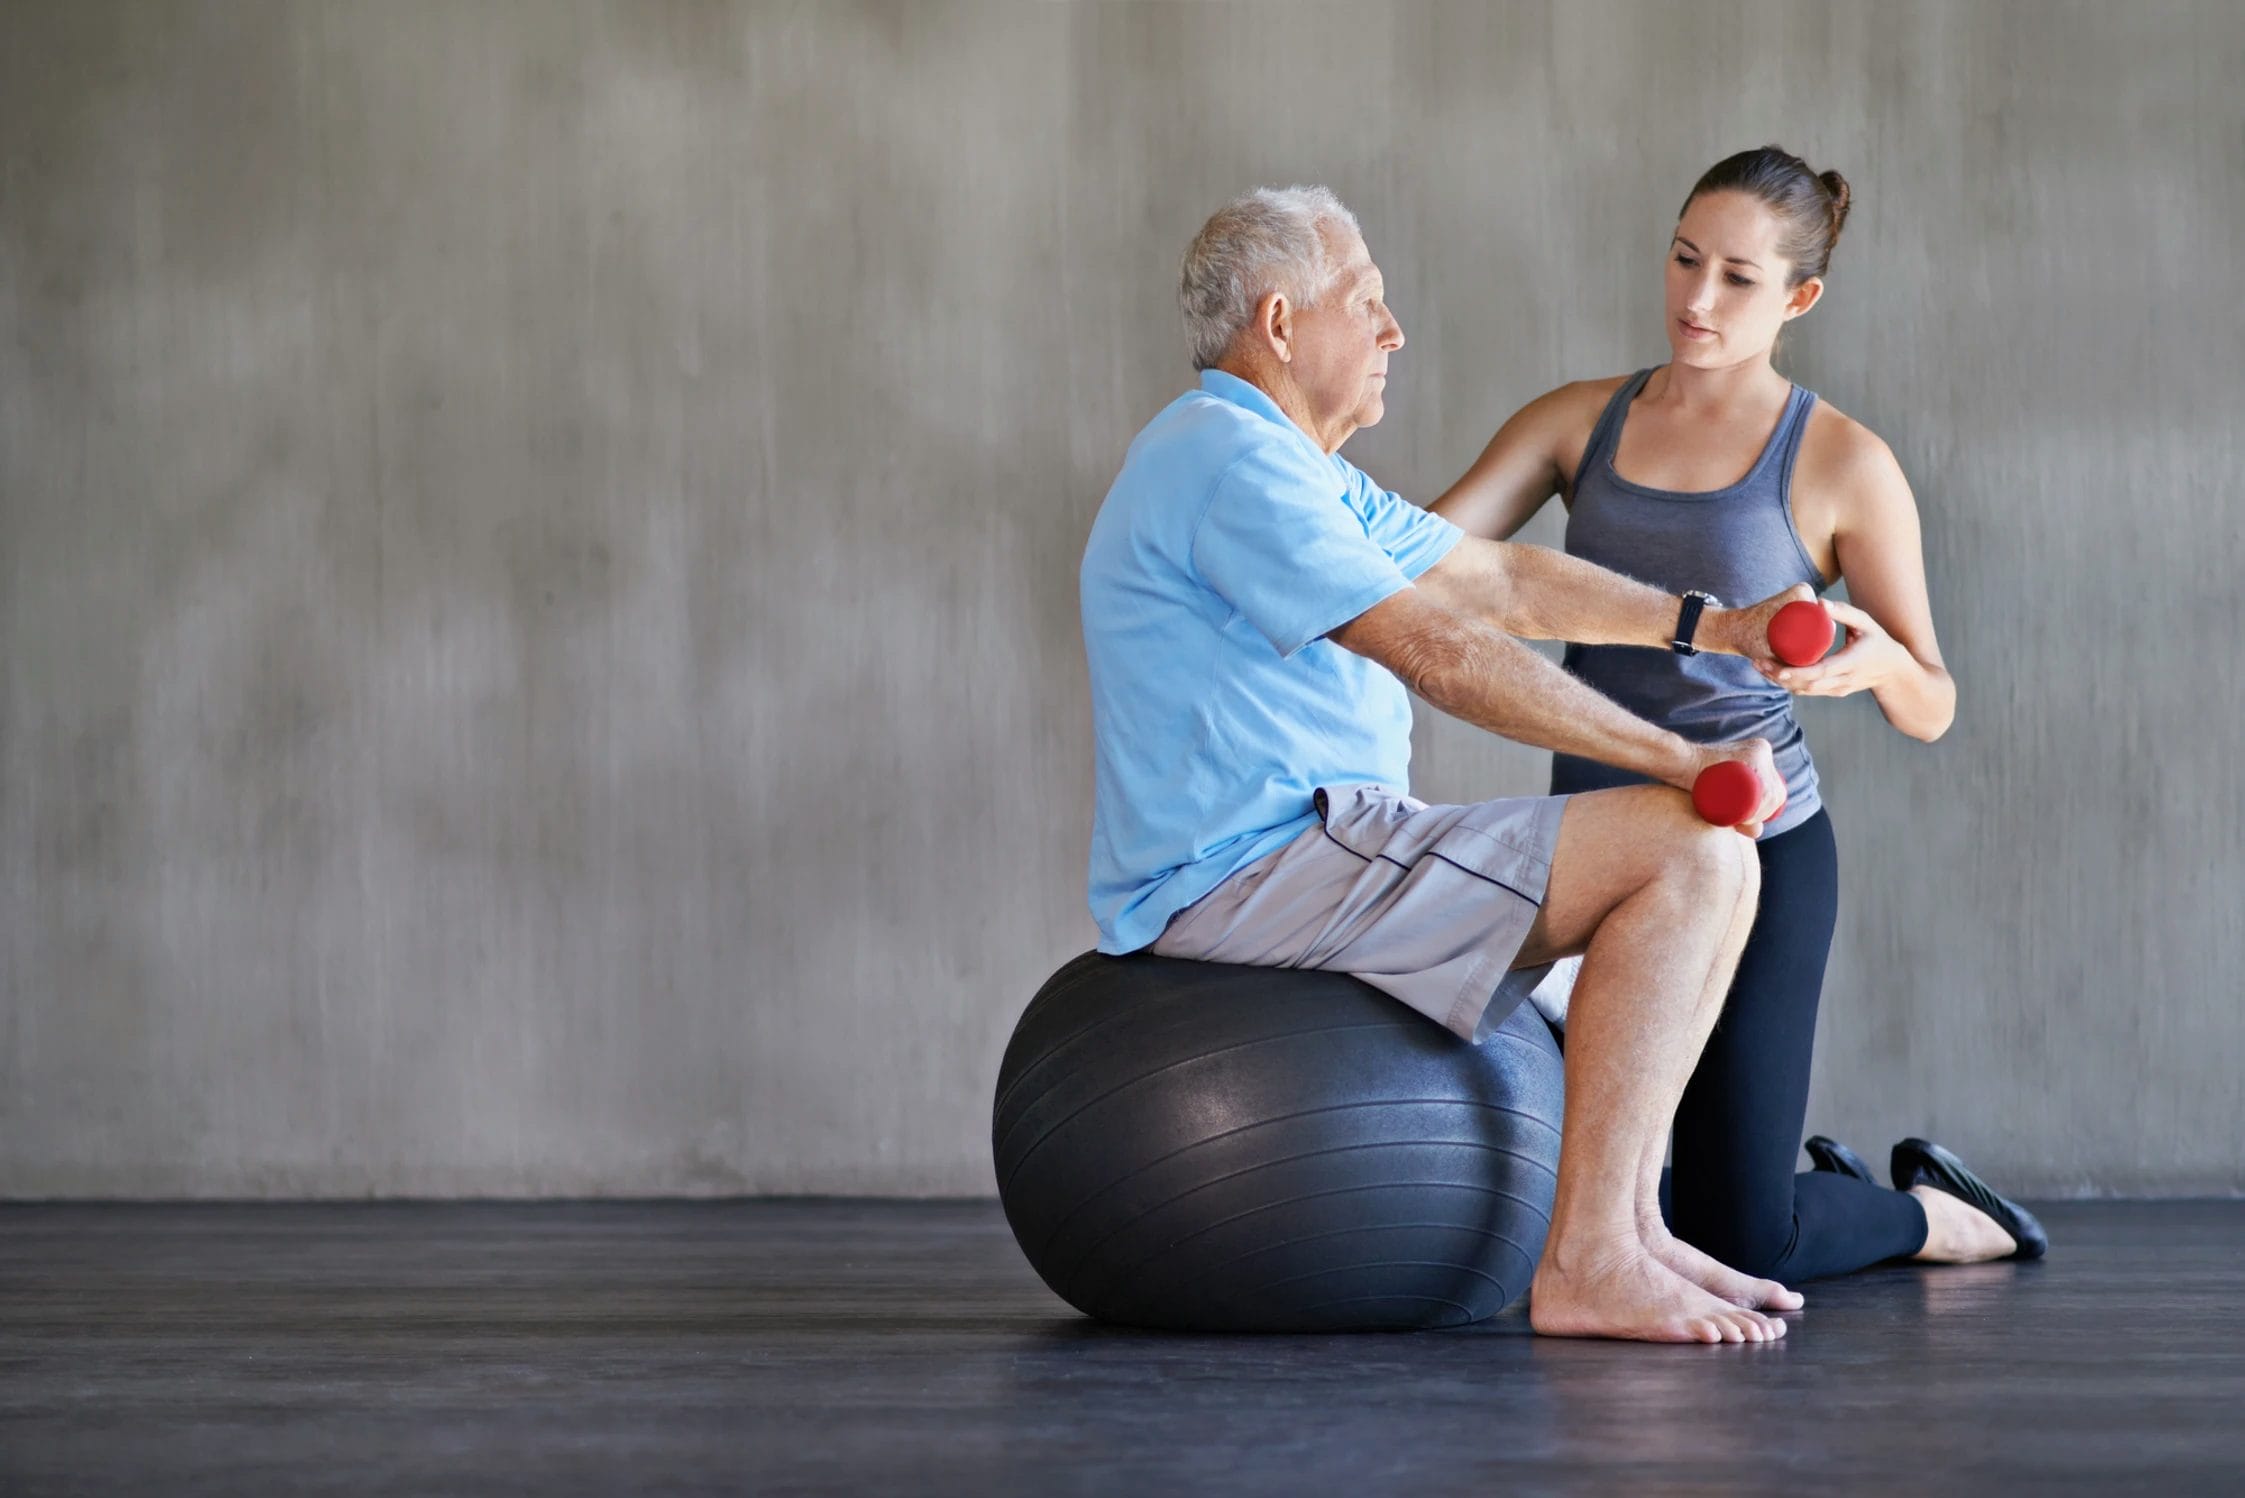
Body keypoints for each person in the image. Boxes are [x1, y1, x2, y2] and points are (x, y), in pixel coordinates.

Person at [1082, 185, 1814, 1344]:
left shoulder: (1297, 468)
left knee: (1705, 864)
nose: (1392, 332)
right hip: (1257, 868)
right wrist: (1678, 755)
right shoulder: (1225, 458)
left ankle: (1628, 1232)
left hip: (1321, 848)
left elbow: (1497, 583)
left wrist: (1710, 626)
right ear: (1279, 324)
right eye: (1365, 303)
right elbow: (1428, 645)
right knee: (1687, 852)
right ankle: (1584, 1260)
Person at [1432, 145, 2045, 1279]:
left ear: (1798, 298)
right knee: (1567, 1194)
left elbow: (1933, 703)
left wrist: (1870, 666)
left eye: (1737, 278)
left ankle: (1933, 1217)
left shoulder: (1843, 462)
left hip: (1757, 851)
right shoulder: (1579, 422)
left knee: (1738, 1234)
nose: (1695, 300)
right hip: (1590, 848)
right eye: (1681, 259)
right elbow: (1424, 558)